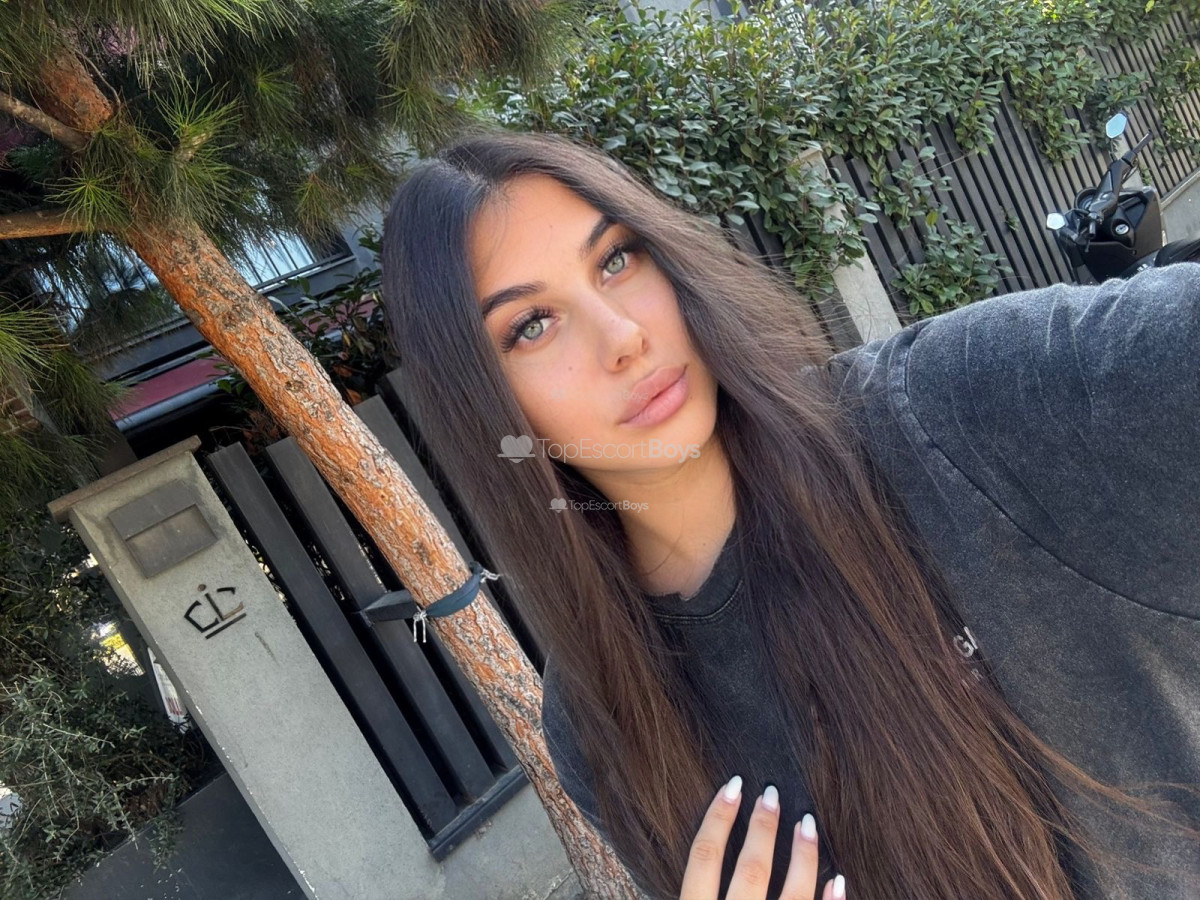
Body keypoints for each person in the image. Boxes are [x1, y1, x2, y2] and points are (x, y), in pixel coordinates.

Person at [378, 128, 1200, 900]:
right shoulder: (599, 725)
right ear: (485, 404)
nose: (622, 335)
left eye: (617, 259)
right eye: (532, 325)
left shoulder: (956, 414)